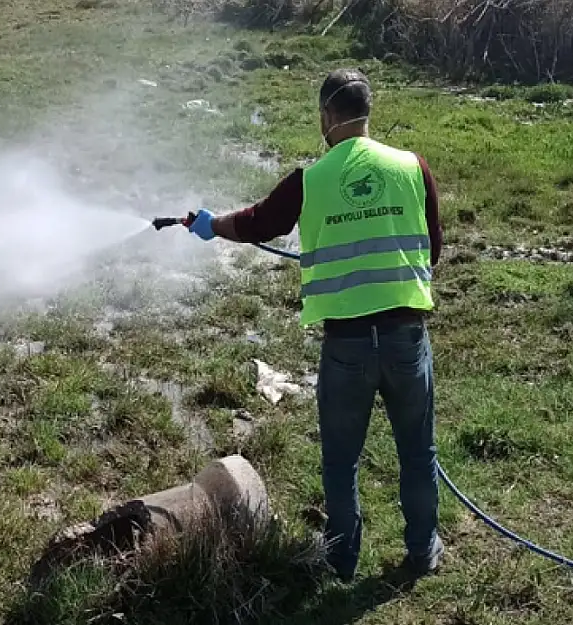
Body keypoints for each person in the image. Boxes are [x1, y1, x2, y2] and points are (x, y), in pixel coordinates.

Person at [186, 68, 444, 582]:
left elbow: (261, 221)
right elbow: (432, 246)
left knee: (340, 462)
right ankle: (422, 553)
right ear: (367, 113)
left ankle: (342, 560)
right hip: (405, 340)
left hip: (346, 346)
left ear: (327, 116)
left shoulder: (310, 179)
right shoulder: (413, 168)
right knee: (418, 454)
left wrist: (211, 226)